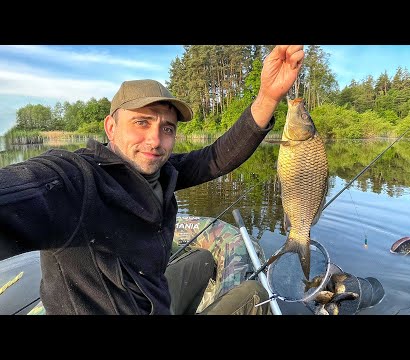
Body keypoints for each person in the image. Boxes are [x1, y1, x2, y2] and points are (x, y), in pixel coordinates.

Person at [0, 45, 305, 315]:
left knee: (201, 259)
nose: (155, 140)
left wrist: (268, 96)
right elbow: (21, 192)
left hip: (152, 299)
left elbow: (217, 157)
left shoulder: (161, 172)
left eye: (167, 128)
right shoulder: (77, 180)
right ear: (110, 126)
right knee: (253, 294)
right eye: (141, 122)